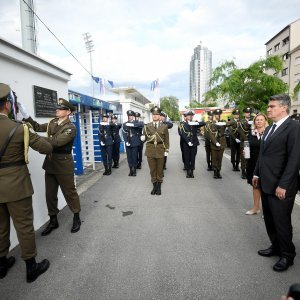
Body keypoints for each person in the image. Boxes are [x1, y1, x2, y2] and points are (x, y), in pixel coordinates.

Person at [0, 84, 51, 282]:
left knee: (1, 227)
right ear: (7, 105)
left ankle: (2, 264)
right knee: (24, 227)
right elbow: (46, 147)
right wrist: (25, 123)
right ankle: (31, 267)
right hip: (17, 187)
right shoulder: (20, 129)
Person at [18, 98, 82, 236]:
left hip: (64, 165)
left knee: (69, 193)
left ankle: (76, 217)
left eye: (60, 108)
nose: (57, 110)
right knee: (50, 194)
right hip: (51, 163)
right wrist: (26, 115)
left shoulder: (71, 127)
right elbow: (36, 126)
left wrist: (34, 138)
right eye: (57, 108)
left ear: (68, 112)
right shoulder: (52, 122)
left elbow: (56, 142)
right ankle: (53, 220)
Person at [253, 94, 300, 272]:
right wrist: (257, 173)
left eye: (272, 106)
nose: (268, 109)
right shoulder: (271, 127)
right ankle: (276, 247)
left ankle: (288, 255)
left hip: (281, 185)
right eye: (269, 106)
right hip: (266, 182)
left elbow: (295, 159)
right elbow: (263, 154)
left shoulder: (293, 127)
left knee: (281, 222)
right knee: (270, 220)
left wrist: (284, 185)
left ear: (284, 108)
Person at [245, 113, 268, 215]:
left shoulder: (269, 132)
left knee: (266, 186)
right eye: (257, 120)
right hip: (253, 162)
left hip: (266, 163)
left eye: (261, 120)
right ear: (254, 122)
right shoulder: (252, 133)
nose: (259, 121)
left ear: (265, 121)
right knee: (255, 185)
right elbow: (247, 145)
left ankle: (267, 212)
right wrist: (245, 152)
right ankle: (256, 208)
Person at [143, 106, 169, 195]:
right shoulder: (147, 126)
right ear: (152, 115)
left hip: (160, 149)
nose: (155, 116)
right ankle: (154, 185)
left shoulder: (164, 126)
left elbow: (166, 140)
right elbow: (145, 137)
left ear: (159, 115)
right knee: (152, 169)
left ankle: (159, 186)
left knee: (160, 169)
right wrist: (142, 138)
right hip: (150, 150)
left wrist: (167, 150)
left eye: (157, 114)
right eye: (153, 114)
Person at [178, 110, 205, 178]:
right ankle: (188, 171)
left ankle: (192, 171)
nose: (190, 116)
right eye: (188, 115)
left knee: (193, 158)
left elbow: (204, 123)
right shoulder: (182, 124)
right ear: (186, 116)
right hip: (186, 144)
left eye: (191, 115)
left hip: (194, 143)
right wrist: (188, 141)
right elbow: (181, 133)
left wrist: (196, 123)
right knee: (187, 158)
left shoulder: (194, 123)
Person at [122, 110, 144, 176]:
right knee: (129, 157)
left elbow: (141, 124)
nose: (130, 117)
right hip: (128, 142)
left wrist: (132, 124)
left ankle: (134, 170)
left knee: (134, 156)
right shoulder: (125, 124)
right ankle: (130, 170)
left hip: (135, 142)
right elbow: (124, 133)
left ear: (133, 116)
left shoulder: (137, 123)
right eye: (129, 116)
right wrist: (126, 141)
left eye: (131, 115)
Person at [207, 109, 227, 179]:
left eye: (219, 114)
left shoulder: (223, 122)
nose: (217, 116)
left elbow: (232, 123)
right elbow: (210, 134)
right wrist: (215, 142)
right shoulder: (211, 124)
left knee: (220, 158)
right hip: (214, 143)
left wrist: (223, 123)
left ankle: (219, 171)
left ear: (220, 115)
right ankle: (215, 172)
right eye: (216, 114)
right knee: (214, 158)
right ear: (214, 115)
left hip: (222, 142)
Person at [239, 107, 253, 179]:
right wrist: (247, 140)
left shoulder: (253, 120)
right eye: (247, 113)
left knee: (250, 157)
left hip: (252, 142)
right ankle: (243, 172)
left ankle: (249, 171)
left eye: (249, 112)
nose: (248, 114)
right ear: (244, 113)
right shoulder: (241, 122)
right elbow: (241, 132)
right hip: (245, 142)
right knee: (244, 157)